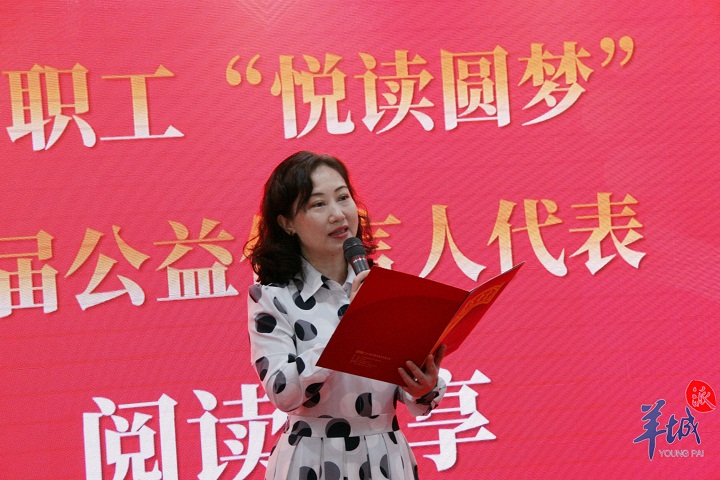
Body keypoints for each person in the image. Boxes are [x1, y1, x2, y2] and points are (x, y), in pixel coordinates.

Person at [246, 151, 447, 480]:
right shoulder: (271, 297)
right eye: (318, 204)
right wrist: (350, 323)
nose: (338, 214)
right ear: (287, 223)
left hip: (386, 457)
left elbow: (414, 400)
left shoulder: (383, 288)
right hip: (313, 459)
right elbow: (283, 391)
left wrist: (423, 385)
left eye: (343, 198)